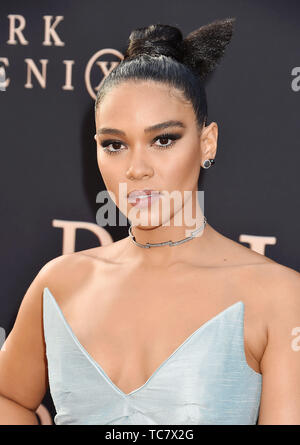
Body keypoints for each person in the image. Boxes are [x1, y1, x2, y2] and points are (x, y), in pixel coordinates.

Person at [1, 17, 300, 426]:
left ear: (206, 141)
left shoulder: (281, 298)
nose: (136, 169)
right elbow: (8, 397)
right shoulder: (60, 283)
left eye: (163, 139)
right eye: (115, 144)